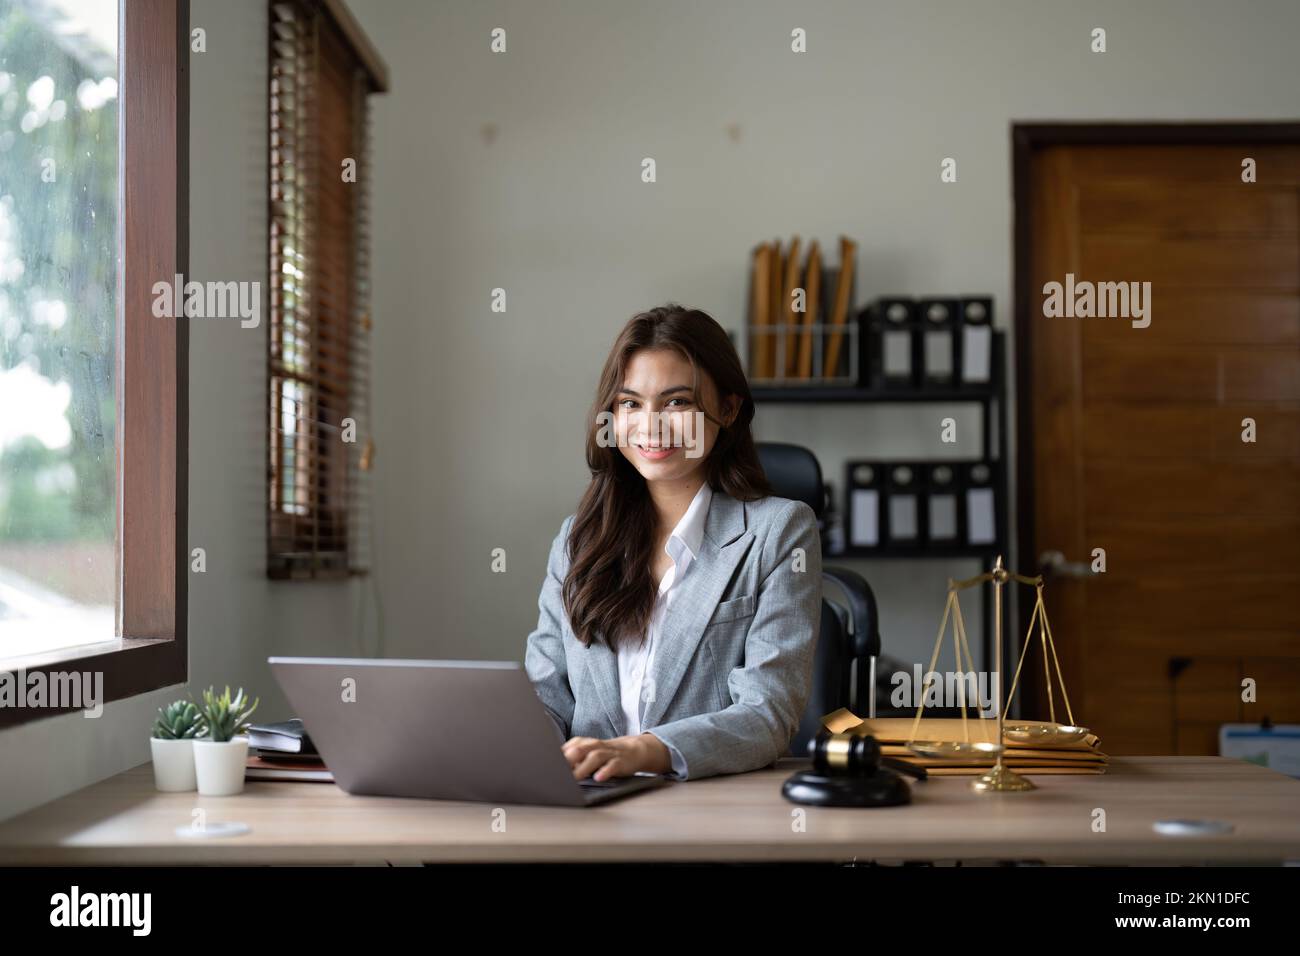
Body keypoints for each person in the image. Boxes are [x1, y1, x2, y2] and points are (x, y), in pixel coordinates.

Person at [524, 303, 823, 782]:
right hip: (588, 809)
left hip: (711, 815)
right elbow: (546, 697)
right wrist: (515, 746)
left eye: (677, 402)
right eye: (630, 404)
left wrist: (642, 752)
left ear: (727, 409)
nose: (651, 425)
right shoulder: (577, 540)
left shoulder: (780, 531)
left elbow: (768, 715)